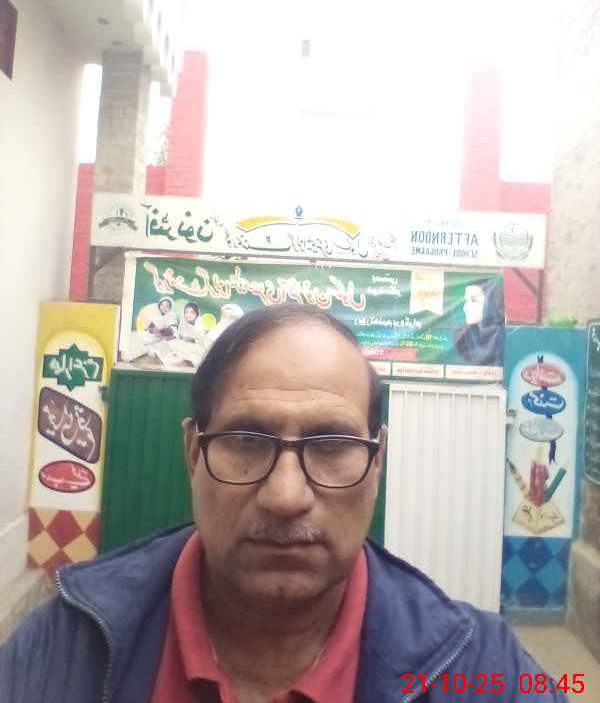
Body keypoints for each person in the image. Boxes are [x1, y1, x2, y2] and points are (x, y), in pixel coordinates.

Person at [0, 303, 566, 702]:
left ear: (377, 460)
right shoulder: (66, 648)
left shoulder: (482, 671)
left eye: (332, 445)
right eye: (247, 442)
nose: (286, 496)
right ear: (193, 453)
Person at [454, 277, 505, 366]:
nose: (465, 308)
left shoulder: (505, 339)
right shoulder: (462, 340)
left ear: (491, 302)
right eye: (466, 301)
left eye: (474, 300)